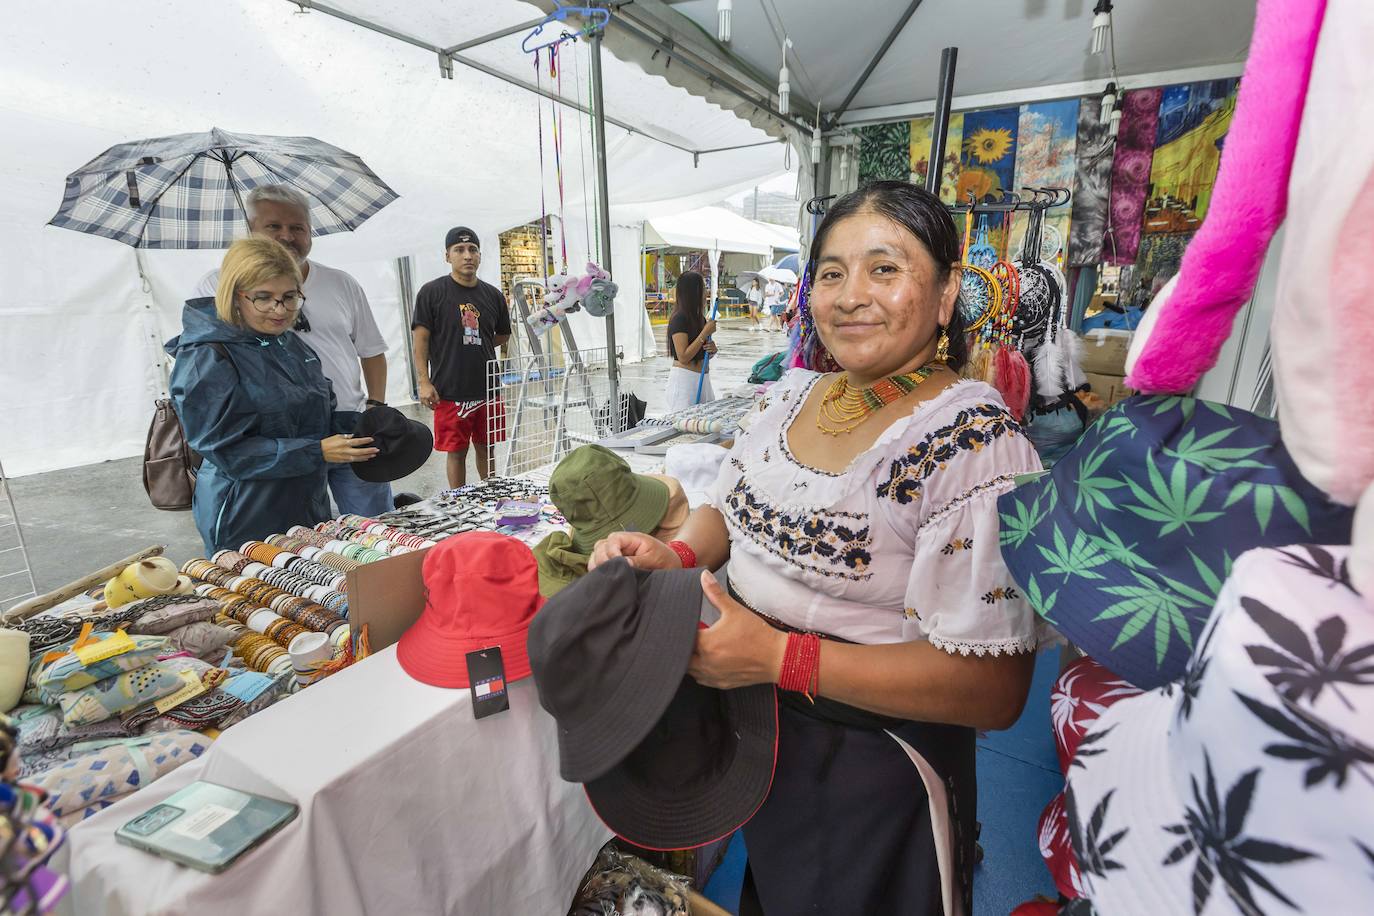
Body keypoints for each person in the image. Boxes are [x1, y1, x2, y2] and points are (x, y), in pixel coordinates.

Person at [591, 181, 1047, 914]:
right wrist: (674, 554)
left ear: (946, 293)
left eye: (885, 269)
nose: (849, 295)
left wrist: (781, 657)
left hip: (871, 765)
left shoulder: (973, 447)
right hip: (758, 739)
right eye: (831, 273)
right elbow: (728, 513)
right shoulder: (793, 397)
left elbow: (992, 692)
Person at [194, 185, 393, 518]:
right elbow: (208, 372)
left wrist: (374, 406)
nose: (287, 236)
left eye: (297, 227)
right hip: (279, 439)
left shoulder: (341, 284)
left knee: (377, 527)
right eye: (274, 226)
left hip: (349, 425)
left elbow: (371, 350)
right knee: (304, 540)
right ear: (250, 229)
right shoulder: (218, 289)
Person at [170, 238, 378, 554]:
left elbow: (311, 417)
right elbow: (226, 449)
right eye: (263, 298)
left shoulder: (289, 344)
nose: (279, 310)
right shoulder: (207, 356)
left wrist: (362, 425)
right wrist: (316, 451)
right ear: (235, 296)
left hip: (306, 503)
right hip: (246, 513)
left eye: (290, 297)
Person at [412, 226, 512, 488]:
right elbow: (420, 340)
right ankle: (459, 502)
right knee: (456, 452)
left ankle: (490, 495)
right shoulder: (431, 292)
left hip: (488, 389)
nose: (467, 255)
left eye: (473, 249)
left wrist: (475, 343)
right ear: (448, 256)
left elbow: (502, 335)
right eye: (459, 250)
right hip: (449, 390)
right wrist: (424, 381)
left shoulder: (493, 295)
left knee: (487, 448)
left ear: (479, 255)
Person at [664, 271, 718, 413]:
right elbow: (683, 356)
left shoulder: (700, 318)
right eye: (703, 288)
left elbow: (699, 350)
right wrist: (705, 333)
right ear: (693, 292)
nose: (705, 293)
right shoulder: (679, 318)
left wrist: (711, 349)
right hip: (685, 383)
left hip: (703, 380)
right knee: (685, 429)